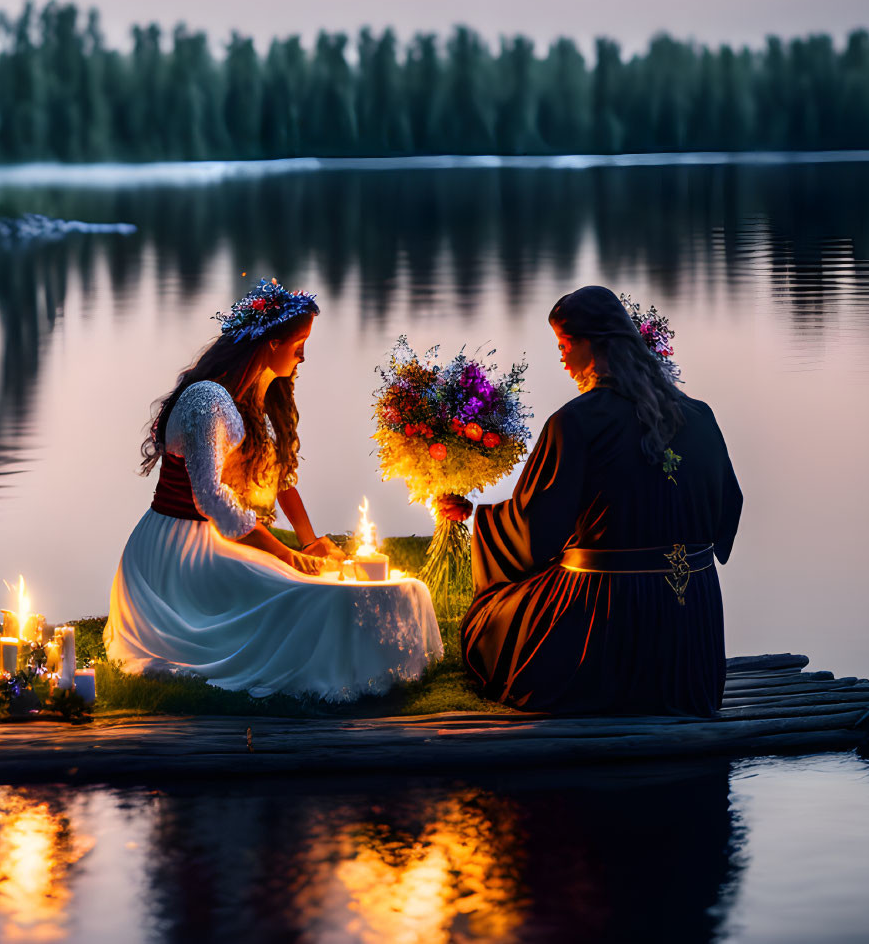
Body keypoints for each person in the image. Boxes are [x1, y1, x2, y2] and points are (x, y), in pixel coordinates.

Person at [104, 279, 443, 701]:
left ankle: (373, 666)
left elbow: (279, 479)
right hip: (179, 554)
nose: (303, 355)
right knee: (305, 593)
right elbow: (209, 498)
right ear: (270, 343)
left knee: (326, 577)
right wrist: (285, 555)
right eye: (299, 343)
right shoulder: (207, 401)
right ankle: (332, 673)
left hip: (215, 539)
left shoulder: (257, 397)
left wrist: (310, 543)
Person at [449, 285, 742, 715]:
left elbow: (534, 533)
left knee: (489, 624)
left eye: (565, 345)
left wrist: (480, 518)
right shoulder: (700, 416)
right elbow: (727, 512)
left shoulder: (574, 423)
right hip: (689, 628)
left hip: (603, 620)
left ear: (596, 344)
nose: (562, 359)